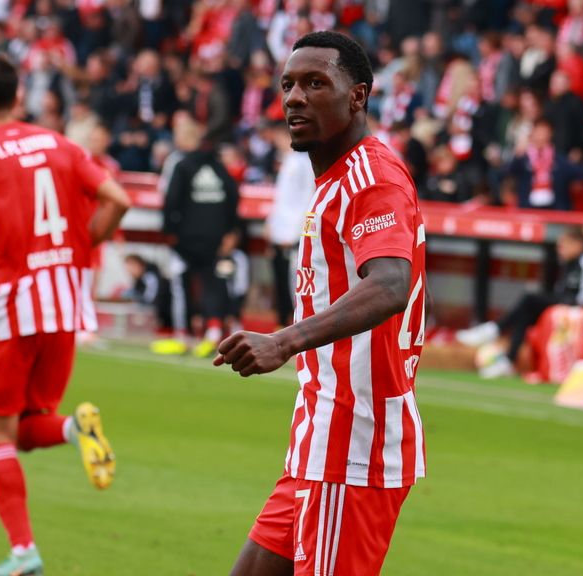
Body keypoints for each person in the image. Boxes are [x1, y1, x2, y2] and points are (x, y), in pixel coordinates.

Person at [214, 31, 427, 576]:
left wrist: (284, 340)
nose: (294, 98)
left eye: (315, 83)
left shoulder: (371, 177)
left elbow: (389, 284)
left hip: (353, 444)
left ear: (357, 96)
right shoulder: (334, 179)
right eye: (287, 84)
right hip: (318, 435)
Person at [0, 55, 131, 576]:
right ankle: (75, 428)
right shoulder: (61, 144)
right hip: (65, 305)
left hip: (11, 309)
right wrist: (80, 243)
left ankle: (24, 553)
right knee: (24, 430)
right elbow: (117, 197)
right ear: (19, 96)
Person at [456, 227, 583, 379]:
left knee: (530, 300)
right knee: (527, 311)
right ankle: (508, 359)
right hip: (581, 304)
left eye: (564, 245)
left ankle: (494, 330)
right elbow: (563, 290)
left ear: (578, 244)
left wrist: (564, 305)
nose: (560, 249)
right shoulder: (571, 263)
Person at [156, 117, 240, 358]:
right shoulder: (218, 167)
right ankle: (213, 334)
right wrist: (230, 230)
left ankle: (182, 335)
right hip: (215, 239)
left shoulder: (181, 166)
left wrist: (169, 233)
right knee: (214, 283)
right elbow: (234, 198)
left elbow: (171, 201)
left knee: (181, 285)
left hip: (186, 240)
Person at [265, 128, 314, 328]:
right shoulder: (287, 161)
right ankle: (284, 321)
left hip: (293, 234)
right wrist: (272, 224)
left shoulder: (302, 163)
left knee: (295, 282)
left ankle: (299, 325)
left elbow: (307, 199)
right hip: (280, 231)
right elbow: (281, 200)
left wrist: (295, 233)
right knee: (280, 280)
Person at [122, 253, 173, 334]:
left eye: (130, 267)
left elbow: (151, 300)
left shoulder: (150, 277)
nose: (129, 271)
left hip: (165, 318)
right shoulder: (139, 280)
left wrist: (135, 300)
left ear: (138, 265)